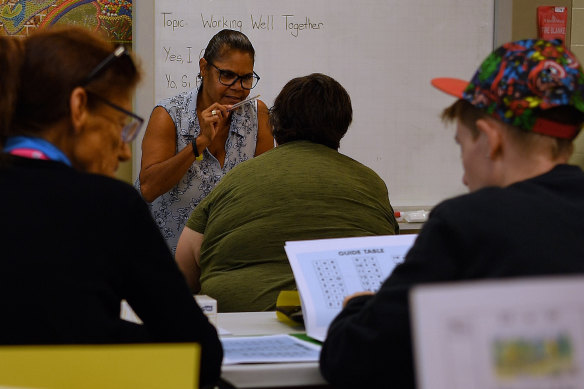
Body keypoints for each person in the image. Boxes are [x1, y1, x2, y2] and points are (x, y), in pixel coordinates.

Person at [319, 38, 584, 389]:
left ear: (491, 140)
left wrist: (358, 309)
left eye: (461, 146)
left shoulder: (468, 225)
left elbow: (352, 357)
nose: (463, 175)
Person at [0, 27, 222, 388]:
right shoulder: (109, 206)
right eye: (121, 126)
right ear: (79, 107)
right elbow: (199, 355)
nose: (122, 152)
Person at [175, 73, 399, 312]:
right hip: (345, 324)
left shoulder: (235, 179)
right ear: (342, 126)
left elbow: (183, 269)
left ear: (274, 123)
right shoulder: (371, 183)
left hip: (242, 324)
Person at [137, 29, 274, 253]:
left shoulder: (257, 116)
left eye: (246, 78)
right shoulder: (169, 115)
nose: (238, 87)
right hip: (165, 255)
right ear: (204, 68)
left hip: (224, 256)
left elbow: (264, 190)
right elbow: (149, 189)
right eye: (227, 75)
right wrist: (199, 143)